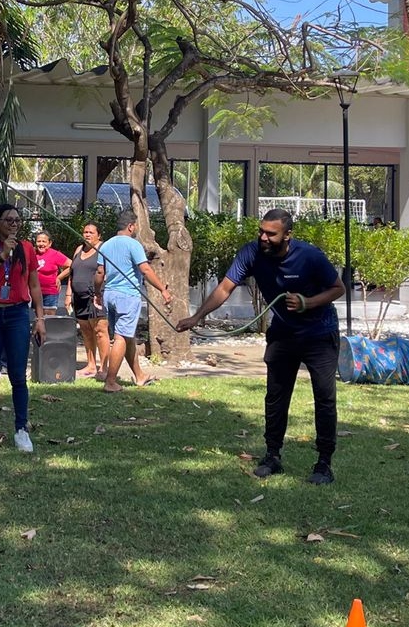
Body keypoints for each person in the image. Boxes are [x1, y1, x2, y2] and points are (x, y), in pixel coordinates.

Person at [177, 208, 345, 485]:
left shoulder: (310, 256)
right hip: (283, 334)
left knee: (324, 398)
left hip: (319, 334)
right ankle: (272, 456)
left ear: (288, 235)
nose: (263, 238)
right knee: (276, 396)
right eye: (261, 231)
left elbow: (338, 288)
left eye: (271, 233)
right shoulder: (251, 253)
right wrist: (197, 316)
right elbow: (224, 288)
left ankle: (324, 463)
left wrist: (307, 302)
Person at [0, 204, 46, 453]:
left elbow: (34, 285)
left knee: (17, 375)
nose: (14, 224)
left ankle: (21, 429)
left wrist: (40, 318)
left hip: (17, 314)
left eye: (17, 220)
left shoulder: (26, 249)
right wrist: (1, 256)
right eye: (9, 220)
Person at [94, 210, 171, 393]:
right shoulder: (133, 244)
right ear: (130, 226)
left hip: (110, 295)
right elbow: (145, 269)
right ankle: (111, 381)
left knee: (127, 337)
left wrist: (97, 293)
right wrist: (163, 289)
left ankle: (139, 376)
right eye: (135, 226)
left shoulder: (105, 245)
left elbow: (99, 273)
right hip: (127, 295)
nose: (135, 229)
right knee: (121, 337)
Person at [68, 223, 108, 378]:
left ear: (99, 235)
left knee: (100, 331)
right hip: (79, 298)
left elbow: (105, 272)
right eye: (85, 232)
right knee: (85, 331)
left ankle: (104, 368)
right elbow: (72, 274)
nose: (87, 235)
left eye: (91, 232)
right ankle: (91, 365)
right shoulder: (79, 250)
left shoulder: (102, 249)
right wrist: (68, 295)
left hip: (95, 297)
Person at [34, 231, 70, 315]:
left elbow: (71, 265)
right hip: (36, 292)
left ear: (49, 243)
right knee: (37, 318)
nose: (41, 244)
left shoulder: (55, 254)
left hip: (50, 292)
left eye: (44, 241)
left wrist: (59, 277)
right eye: (39, 241)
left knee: (48, 319)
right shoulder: (32, 253)